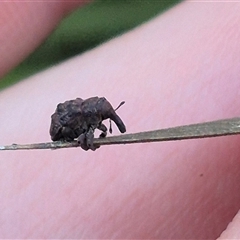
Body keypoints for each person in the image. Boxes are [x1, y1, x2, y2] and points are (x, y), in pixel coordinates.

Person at [0, 1, 240, 239]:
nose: (111, 118)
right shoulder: (84, 117)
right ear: (95, 112)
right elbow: (86, 137)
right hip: (62, 129)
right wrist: (89, 140)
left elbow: (100, 130)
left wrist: (100, 132)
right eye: (107, 115)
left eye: (108, 115)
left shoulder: (93, 115)